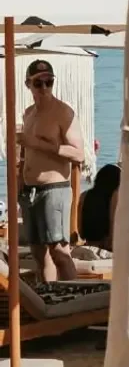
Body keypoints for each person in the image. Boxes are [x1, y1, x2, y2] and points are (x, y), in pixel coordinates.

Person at [18, 60, 84, 282]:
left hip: (54, 189)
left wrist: (38, 143)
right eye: (39, 83)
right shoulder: (29, 114)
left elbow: (79, 154)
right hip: (30, 190)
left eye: (49, 82)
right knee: (39, 253)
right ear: (28, 84)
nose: (44, 88)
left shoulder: (63, 113)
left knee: (59, 251)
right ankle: (48, 296)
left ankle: (73, 298)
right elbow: (26, 152)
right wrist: (19, 181)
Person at [78, 164, 121, 252]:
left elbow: (79, 225)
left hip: (89, 241)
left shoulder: (84, 195)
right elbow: (113, 222)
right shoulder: (115, 197)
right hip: (107, 243)